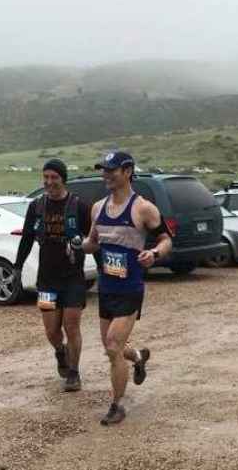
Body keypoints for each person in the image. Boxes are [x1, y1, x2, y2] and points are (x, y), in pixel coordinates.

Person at [82, 151, 172, 426]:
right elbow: (93, 242)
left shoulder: (143, 208)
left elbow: (166, 239)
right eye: (103, 170)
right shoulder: (97, 208)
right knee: (114, 348)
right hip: (106, 287)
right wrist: (79, 246)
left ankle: (117, 405)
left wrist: (154, 254)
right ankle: (139, 357)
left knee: (112, 345)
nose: (106, 175)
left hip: (131, 288)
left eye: (111, 170)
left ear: (128, 170)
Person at [14, 159, 91, 391]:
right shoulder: (36, 207)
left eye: (54, 177)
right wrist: (17, 268)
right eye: (46, 177)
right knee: (51, 330)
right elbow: (27, 238)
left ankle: (74, 373)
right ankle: (60, 352)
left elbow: (94, 240)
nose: (49, 182)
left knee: (72, 326)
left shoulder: (79, 206)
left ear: (63, 179)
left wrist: (105, 270)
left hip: (73, 279)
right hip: (47, 279)